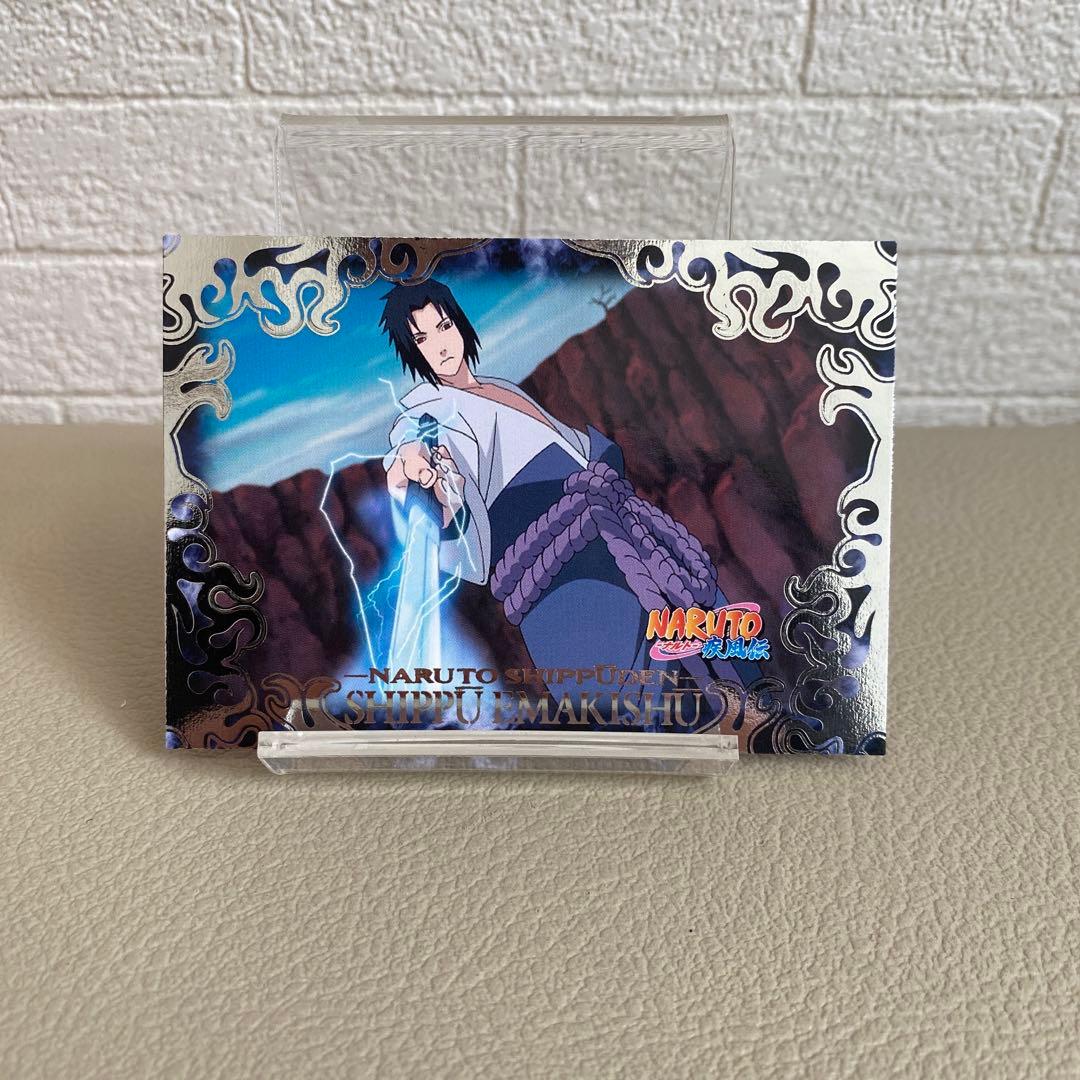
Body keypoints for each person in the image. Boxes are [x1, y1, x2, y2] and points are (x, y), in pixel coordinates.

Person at [381, 278, 754, 722]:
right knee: (626, 698)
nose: (440, 344)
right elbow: (409, 444)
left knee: (713, 660)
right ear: (411, 352)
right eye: (422, 338)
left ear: (460, 325)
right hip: (560, 577)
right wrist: (408, 464)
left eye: (444, 326)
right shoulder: (427, 411)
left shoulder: (501, 389)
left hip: (616, 538)